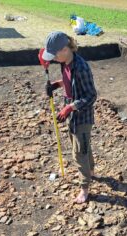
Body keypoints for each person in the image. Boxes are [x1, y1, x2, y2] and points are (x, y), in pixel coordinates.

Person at [39, 31, 97, 203]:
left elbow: (91, 96)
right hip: (71, 115)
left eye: (54, 54)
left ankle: (85, 188)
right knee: (83, 146)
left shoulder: (82, 67)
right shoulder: (65, 63)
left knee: (79, 153)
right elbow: (70, 81)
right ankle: (91, 171)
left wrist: (70, 107)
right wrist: (57, 84)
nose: (53, 59)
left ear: (65, 49)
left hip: (82, 116)